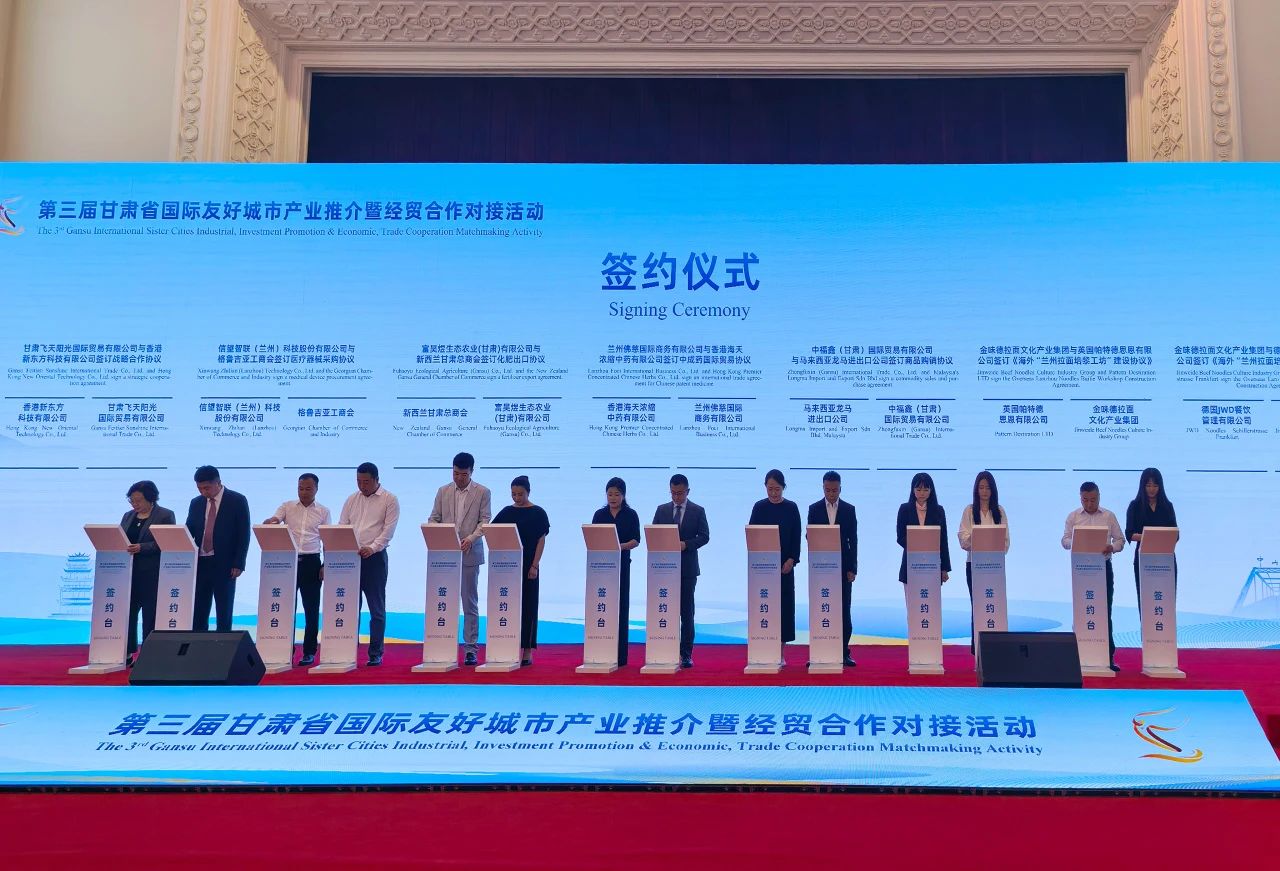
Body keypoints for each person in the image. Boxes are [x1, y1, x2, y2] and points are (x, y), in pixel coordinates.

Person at [429, 452, 491, 666]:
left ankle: (471, 648)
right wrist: (442, 535)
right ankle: (442, 646)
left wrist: (471, 539)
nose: (459, 478)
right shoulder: (443, 491)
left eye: (463, 475)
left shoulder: (482, 492)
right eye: (455, 473)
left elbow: (485, 521)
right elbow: (434, 518)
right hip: (445, 556)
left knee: (469, 603)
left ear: (471, 472)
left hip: (469, 553)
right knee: (444, 601)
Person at [263, 472, 331, 666]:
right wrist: (271, 521)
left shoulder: (323, 511)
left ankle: (309, 651)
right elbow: (276, 518)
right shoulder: (287, 506)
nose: (303, 492)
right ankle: (286, 649)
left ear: (316, 489)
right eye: (300, 488)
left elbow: (327, 540)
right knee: (285, 609)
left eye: (308, 488)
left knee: (311, 610)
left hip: (311, 562)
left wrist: (325, 565)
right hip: (288, 563)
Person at [338, 462, 399, 666]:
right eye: (358, 481)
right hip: (351, 559)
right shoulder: (351, 499)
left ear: (376, 480)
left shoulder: (389, 500)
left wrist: (372, 548)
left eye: (366, 482)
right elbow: (342, 527)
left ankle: (375, 653)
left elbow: (388, 532)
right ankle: (347, 650)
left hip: (375, 559)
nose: (362, 486)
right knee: (349, 607)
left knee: (376, 608)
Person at [1061, 481, 1125, 671]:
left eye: (1093, 500)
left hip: (1103, 569)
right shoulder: (1073, 516)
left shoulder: (1108, 516)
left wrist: (1111, 547)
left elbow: (1120, 540)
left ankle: (1108, 657)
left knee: (1105, 611)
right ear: (1080, 498)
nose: (1089, 504)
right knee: (1082, 611)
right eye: (1085, 500)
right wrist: (1074, 542)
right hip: (1081, 571)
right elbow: (1064, 539)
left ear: (1099, 497)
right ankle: (1080, 655)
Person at [653, 473, 709, 669]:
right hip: (664, 570)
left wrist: (686, 544)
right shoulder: (661, 510)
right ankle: (665, 649)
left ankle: (686, 654)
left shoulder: (697, 510)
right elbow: (654, 535)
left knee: (686, 613)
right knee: (665, 609)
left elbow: (705, 536)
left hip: (687, 570)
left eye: (680, 493)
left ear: (688, 491)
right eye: (673, 493)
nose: (676, 497)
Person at [184, 465, 250, 632]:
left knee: (224, 608)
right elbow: (189, 530)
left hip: (225, 563)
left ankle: (223, 643)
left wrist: (239, 563)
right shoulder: (196, 503)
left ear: (218, 482)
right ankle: (198, 642)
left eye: (206, 488)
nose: (203, 492)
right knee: (199, 608)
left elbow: (244, 534)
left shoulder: (237, 500)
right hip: (201, 562)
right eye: (199, 488)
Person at [492, 475, 550, 667]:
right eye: (513, 494)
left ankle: (527, 650)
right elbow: (492, 532)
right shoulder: (506, 512)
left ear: (528, 492)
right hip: (508, 568)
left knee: (528, 606)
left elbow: (541, 540)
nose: (517, 498)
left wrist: (535, 565)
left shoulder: (538, 513)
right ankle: (506, 645)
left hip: (529, 566)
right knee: (508, 605)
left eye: (520, 494)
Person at [120, 480, 176, 665]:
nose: (134, 504)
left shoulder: (165, 515)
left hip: (152, 573)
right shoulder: (128, 516)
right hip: (128, 573)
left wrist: (142, 547)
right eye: (131, 500)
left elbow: (167, 542)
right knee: (128, 614)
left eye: (138, 500)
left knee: (150, 615)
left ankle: (148, 655)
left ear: (151, 499)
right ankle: (126, 653)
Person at [806, 470, 858, 667]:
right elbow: (809, 536)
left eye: (834, 490)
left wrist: (853, 568)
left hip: (843, 569)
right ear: (823, 488)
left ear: (840, 489)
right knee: (821, 608)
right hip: (821, 569)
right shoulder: (814, 509)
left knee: (844, 610)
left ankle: (843, 652)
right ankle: (819, 650)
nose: (831, 494)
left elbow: (853, 540)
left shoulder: (849, 509)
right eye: (827, 490)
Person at [748, 469, 802, 655]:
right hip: (763, 569)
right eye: (770, 489)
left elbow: (796, 537)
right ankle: (763, 648)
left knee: (784, 608)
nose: (773, 493)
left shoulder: (791, 508)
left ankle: (780, 651)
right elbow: (752, 536)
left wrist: (792, 560)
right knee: (765, 607)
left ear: (783, 487)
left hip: (784, 568)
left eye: (777, 489)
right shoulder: (759, 507)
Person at [958, 470, 1010, 655]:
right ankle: (977, 649)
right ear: (976, 489)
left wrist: (992, 540)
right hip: (974, 565)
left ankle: (997, 647)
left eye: (988, 488)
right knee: (978, 606)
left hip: (995, 567)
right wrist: (979, 537)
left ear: (993, 490)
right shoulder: (969, 510)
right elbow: (963, 539)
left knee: (994, 604)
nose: (984, 491)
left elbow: (1006, 542)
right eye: (981, 487)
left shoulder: (1000, 511)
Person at [591, 477, 641, 666]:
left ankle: (620, 656)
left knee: (621, 607)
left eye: (616, 494)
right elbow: (593, 538)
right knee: (603, 605)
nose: (612, 498)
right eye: (610, 494)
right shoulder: (599, 515)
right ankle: (602, 650)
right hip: (601, 568)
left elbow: (636, 540)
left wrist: (620, 546)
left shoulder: (631, 514)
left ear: (623, 495)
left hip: (622, 565)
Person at [1125, 467, 1178, 599]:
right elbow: (1129, 534)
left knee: (1166, 598)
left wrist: (1159, 537)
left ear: (1160, 486)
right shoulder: (1135, 506)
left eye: (1155, 485)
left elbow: (1175, 534)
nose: (1151, 489)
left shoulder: (1167, 506)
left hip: (1166, 558)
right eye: (1148, 485)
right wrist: (1149, 537)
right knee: (1146, 598)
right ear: (1142, 486)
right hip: (1144, 558)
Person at [896, 472, 951, 585]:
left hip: (933, 564)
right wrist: (919, 544)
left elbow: (943, 541)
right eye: (919, 489)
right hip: (911, 563)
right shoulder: (904, 509)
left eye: (926, 490)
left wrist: (944, 568)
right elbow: (900, 537)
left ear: (931, 491)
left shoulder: (938, 510)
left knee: (931, 596)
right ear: (913, 490)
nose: (922, 493)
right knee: (912, 596)